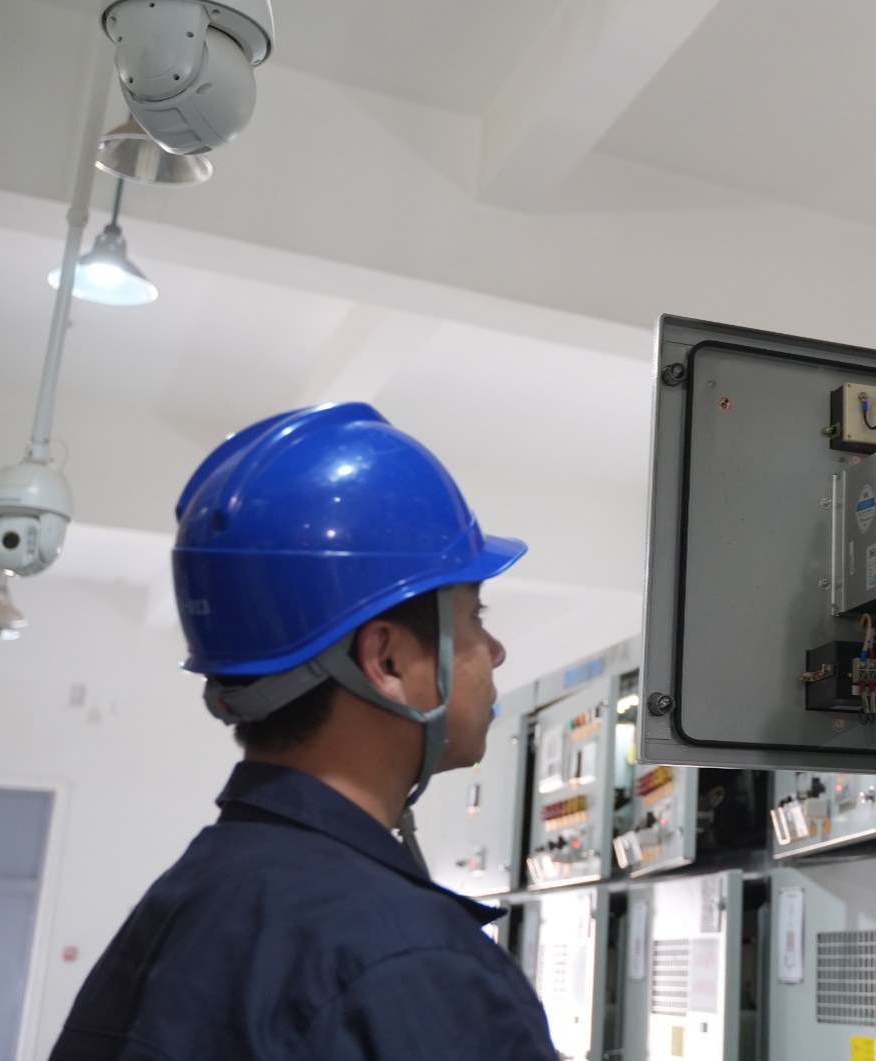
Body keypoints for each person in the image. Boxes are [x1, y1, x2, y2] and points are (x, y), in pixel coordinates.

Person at [52, 402, 560, 1061]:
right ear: (386, 661)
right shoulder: (409, 960)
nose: (495, 651)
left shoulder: (193, 898)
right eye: (474, 617)